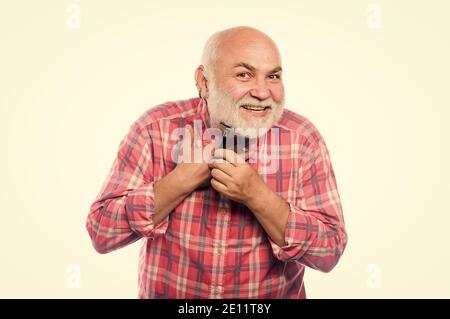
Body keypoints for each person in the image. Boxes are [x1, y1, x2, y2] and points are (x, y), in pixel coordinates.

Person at [86, 26, 347, 299]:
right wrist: (178, 182)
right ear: (204, 81)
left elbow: (329, 253)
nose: (262, 91)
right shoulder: (155, 129)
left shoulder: (303, 140)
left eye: (273, 76)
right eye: (244, 74)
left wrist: (258, 196)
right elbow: (102, 233)